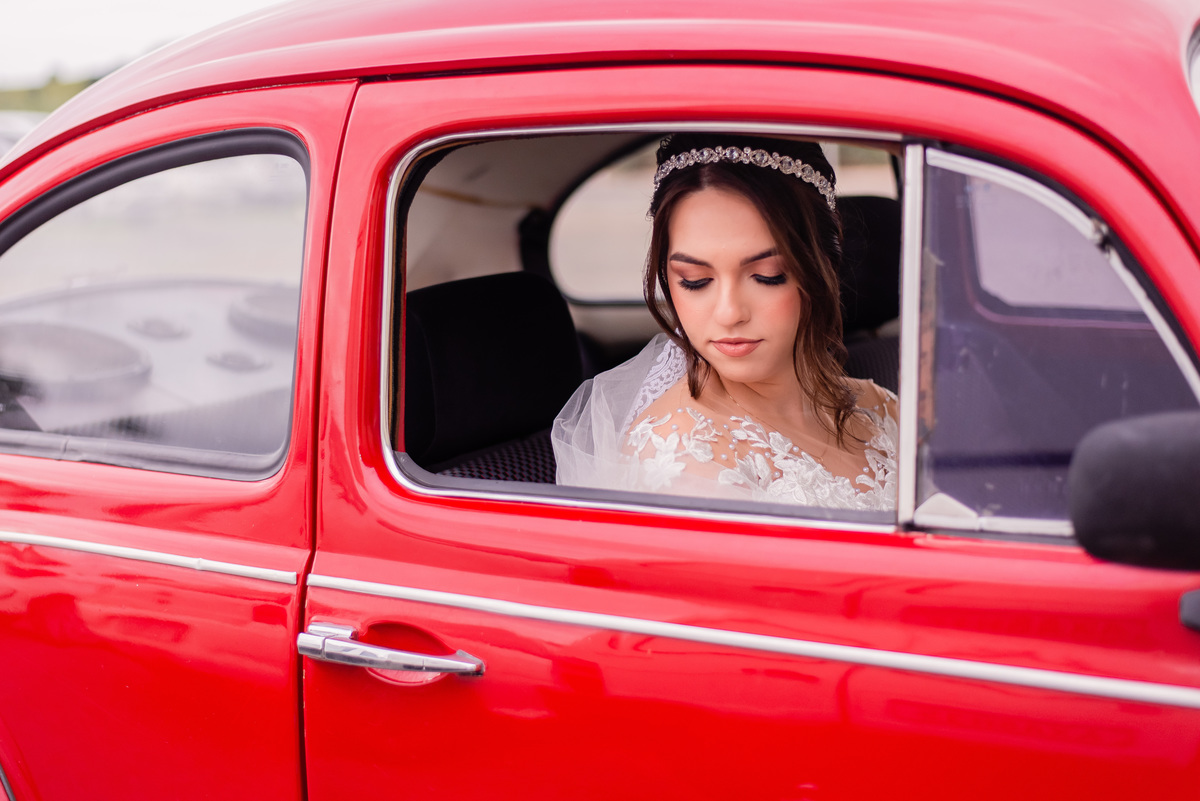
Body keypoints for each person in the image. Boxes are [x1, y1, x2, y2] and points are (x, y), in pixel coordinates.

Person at [552, 134, 897, 510]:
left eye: (767, 276)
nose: (729, 313)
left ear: (821, 267)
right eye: (695, 282)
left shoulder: (879, 406)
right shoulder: (683, 454)